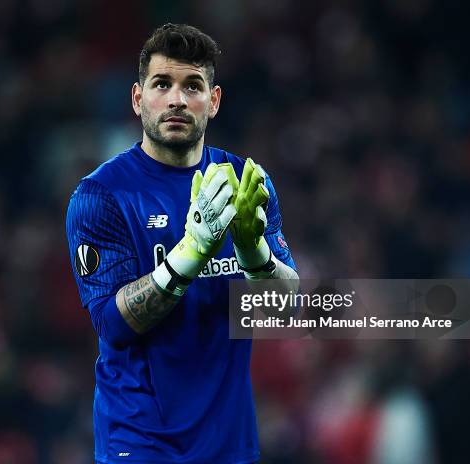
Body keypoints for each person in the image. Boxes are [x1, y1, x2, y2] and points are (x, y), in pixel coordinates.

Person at [66, 23, 298, 464]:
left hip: (230, 443)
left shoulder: (247, 182)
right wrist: (192, 252)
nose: (176, 99)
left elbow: (284, 311)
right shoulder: (101, 196)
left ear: (213, 101)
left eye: (192, 86)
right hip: (139, 441)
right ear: (138, 99)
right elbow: (112, 325)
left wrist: (254, 253)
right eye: (162, 84)